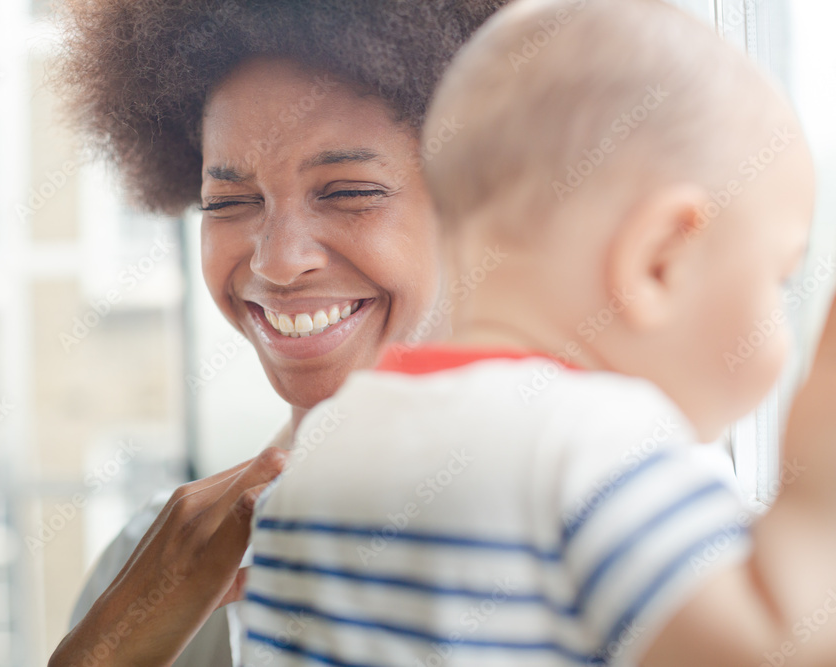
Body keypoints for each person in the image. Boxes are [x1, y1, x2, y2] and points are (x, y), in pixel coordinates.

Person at [240, 0, 835, 665]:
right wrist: (819, 472)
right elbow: (777, 647)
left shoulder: (322, 448)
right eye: (778, 280)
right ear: (659, 260)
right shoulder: (598, 444)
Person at [48, 2, 506, 666]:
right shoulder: (150, 567)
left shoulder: (593, 546)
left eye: (349, 191)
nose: (276, 260)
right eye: (230, 202)